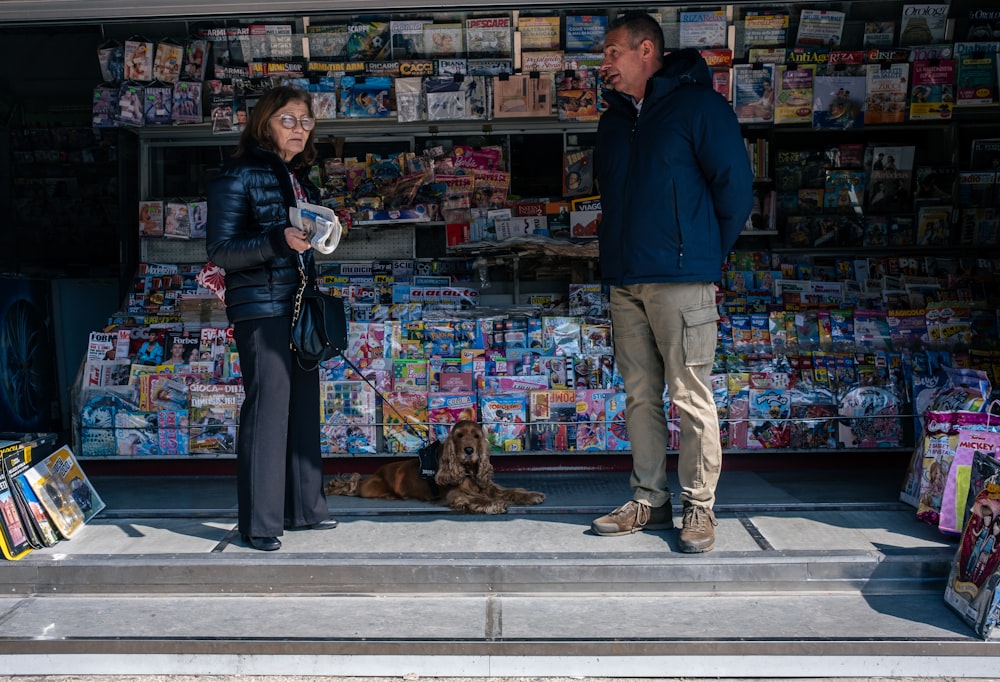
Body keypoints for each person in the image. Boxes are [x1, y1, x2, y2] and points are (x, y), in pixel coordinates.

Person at [591, 12, 753, 553]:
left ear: (645, 50)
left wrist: (703, 257)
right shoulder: (612, 119)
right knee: (640, 396)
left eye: (612, 51)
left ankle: (699, 507)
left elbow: (735, 191)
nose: (604, 63)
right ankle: (648, 498)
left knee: (690, 395)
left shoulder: (699, 107)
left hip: (683, 279)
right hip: (626, 280)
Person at [206, 85, 337, 552]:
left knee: (303, 410)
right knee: (267, 412)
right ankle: (260, 524)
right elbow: (221, 250)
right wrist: (279, 240)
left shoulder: (298, 176)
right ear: (265, 122)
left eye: (306, 120)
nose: (299, 128)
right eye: (289, 119)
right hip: (261, 310)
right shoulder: (238, 175)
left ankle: (305, 508)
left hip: (298, 304)